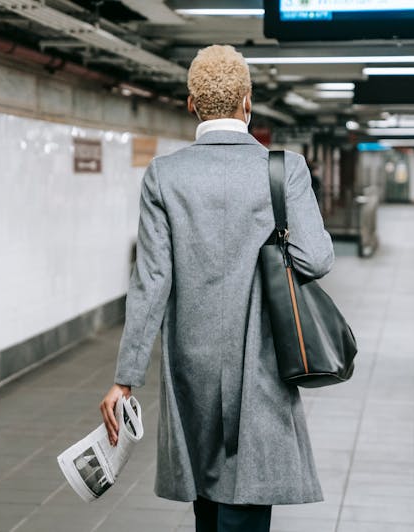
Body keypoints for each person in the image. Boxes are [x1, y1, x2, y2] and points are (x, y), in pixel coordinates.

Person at [100, 45, 334, 532]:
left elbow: (151, 282)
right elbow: (317, 258)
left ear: (192, 105)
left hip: (192, 363)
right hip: (263, 357)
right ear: (247, 102)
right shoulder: (284, 169)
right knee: (247, 496)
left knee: (206, 498)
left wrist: (126, 379)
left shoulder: (164, 176)